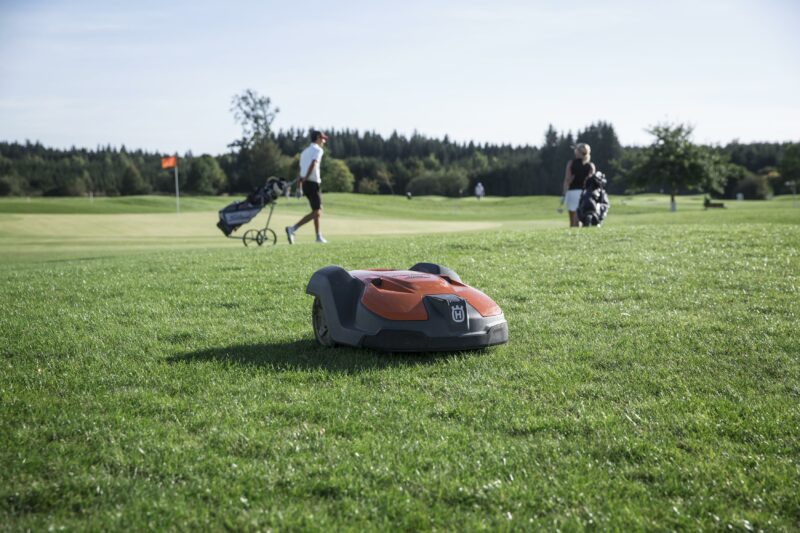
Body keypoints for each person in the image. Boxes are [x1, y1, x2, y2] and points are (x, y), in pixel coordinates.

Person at [286, 130, 328, 244]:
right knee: (317, 211)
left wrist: (300, 186)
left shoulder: (304, 152)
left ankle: (318, 236)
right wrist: (305, 179)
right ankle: (292, 229)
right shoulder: (318, 150)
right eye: (323, 139)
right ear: (318, 138)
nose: (324, 141)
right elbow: (313, 164)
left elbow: (300, 170)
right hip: (312, 182)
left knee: (316, 209)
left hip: (306, 183)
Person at [562, 143, 595, 227]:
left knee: (572, 221)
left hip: (572, 192)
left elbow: (567, 180)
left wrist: (564, 194)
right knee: (579, 218)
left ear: (577, 152)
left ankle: (572, 236)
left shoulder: (571, 163)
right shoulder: (590, 165)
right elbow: (591, 181)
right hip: (584, 194)